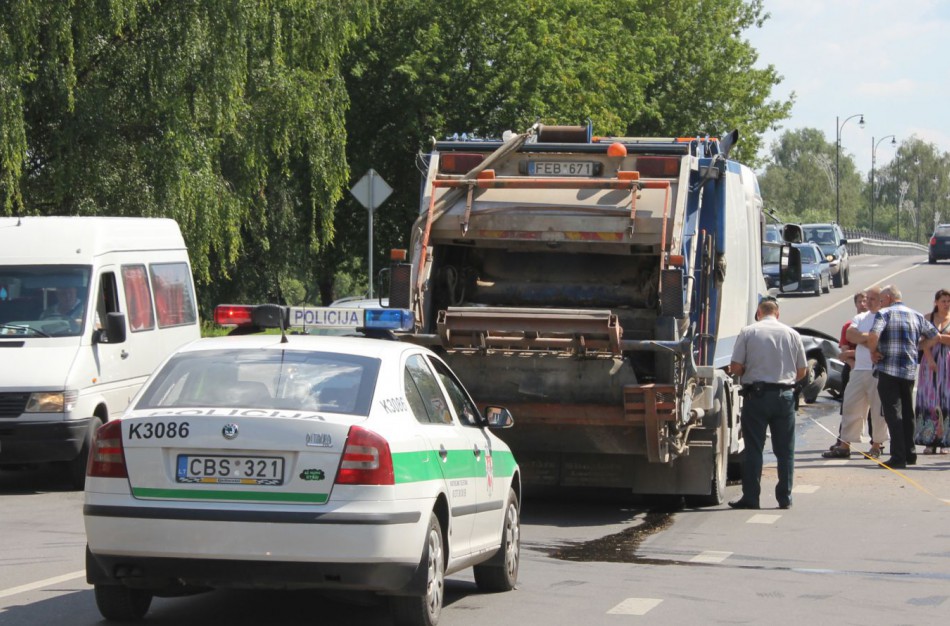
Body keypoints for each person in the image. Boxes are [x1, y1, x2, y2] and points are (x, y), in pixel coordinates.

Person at [728, 297, 807, 510]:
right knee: (785, 450)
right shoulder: (792, 334)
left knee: (754, 449)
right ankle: (785, 497)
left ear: (758, 312)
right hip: (784, 396)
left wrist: (749, 373)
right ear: (777, 314)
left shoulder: (749, 332)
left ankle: (751, 497)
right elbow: (802, 371)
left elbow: (735, 366)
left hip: (757, 396)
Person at [867, 285, 938, 469]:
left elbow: (873, 335)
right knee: (907, 412)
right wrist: (918, 346)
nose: (881, 304)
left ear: (889, 298)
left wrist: (873, 352)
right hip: (908, 371)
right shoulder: (916, 315)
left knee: (893, 413)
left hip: (888, 369)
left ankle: (898, 456)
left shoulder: (885, 314)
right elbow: (935, 336)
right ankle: (910, 453)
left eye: (882, 300)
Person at [823, 286, 888, 459]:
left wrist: (865, 339)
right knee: (850, 406)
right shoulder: (860, 317)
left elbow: (883, 339)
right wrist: (871, 339)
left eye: (873, 299)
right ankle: (845, 445)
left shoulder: (886, 316)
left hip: (877, 370)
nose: (868, 302)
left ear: (881, 300)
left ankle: (876, 445)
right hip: (859, 369)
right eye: (867, 299)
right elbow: (851, 335)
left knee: (877, 409)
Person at [914, 289, 950, 454]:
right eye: (943, 301)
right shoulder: (927, 318)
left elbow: (935, 339)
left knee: (946, 399)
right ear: (936, 302)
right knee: (930, 399)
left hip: (948, 361)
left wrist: (938, 338)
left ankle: (945, 442)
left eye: (948, 301)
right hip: (930, 362)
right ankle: (929, 439)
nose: (946, 304)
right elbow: (922, 343)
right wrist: (929, 359)